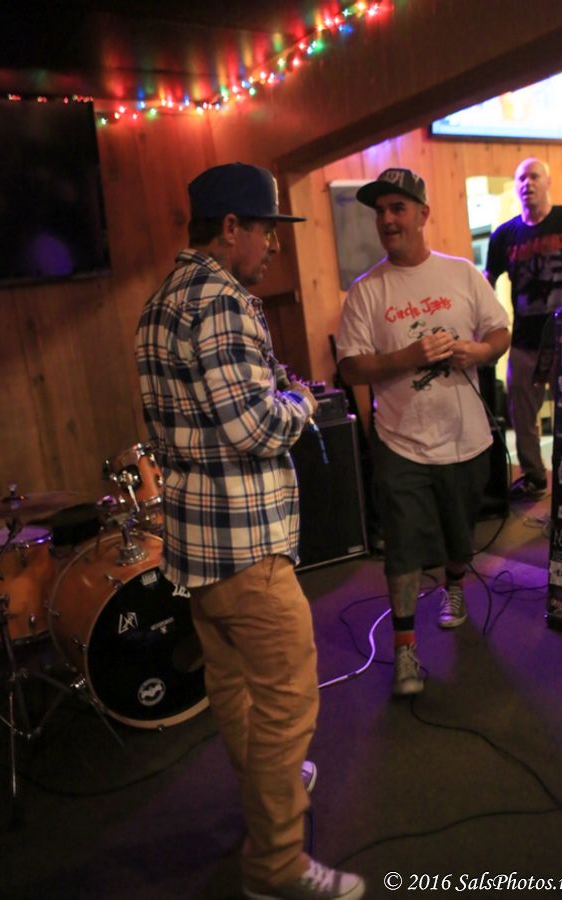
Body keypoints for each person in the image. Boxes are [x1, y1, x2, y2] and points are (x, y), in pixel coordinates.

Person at [135, 163, 365, 900]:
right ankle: (276, 865)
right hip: (248, 548)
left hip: (198, 547)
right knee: (288, 704)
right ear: (231, 228)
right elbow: (255, 427)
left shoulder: (159, 304)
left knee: (235, 692)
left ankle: (269, 789)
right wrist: (301, 400)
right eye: (266, 230)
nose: (272, 245)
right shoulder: (223, 301)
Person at [336, 167, 510, 697]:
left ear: (423, 214)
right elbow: (351, 367)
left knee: (461, 532)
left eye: (398, 209)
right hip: (401, 441)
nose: (387, 220)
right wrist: (409, 356)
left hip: (465, 436)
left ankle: (455, 586)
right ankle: (405, 648)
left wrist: (478, 351)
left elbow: (500, 331)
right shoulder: (366, 291)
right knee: (404, 545)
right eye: (380, 212)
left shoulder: (461, 274)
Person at [485, 157, 562, 499]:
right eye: (520, 178)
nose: (526, 183)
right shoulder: (504, 235)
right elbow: (487, 282)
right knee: (521, 414)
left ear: (548, 182)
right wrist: (487, 324)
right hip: (525, 342)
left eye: (534, 176)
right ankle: (534, 477)